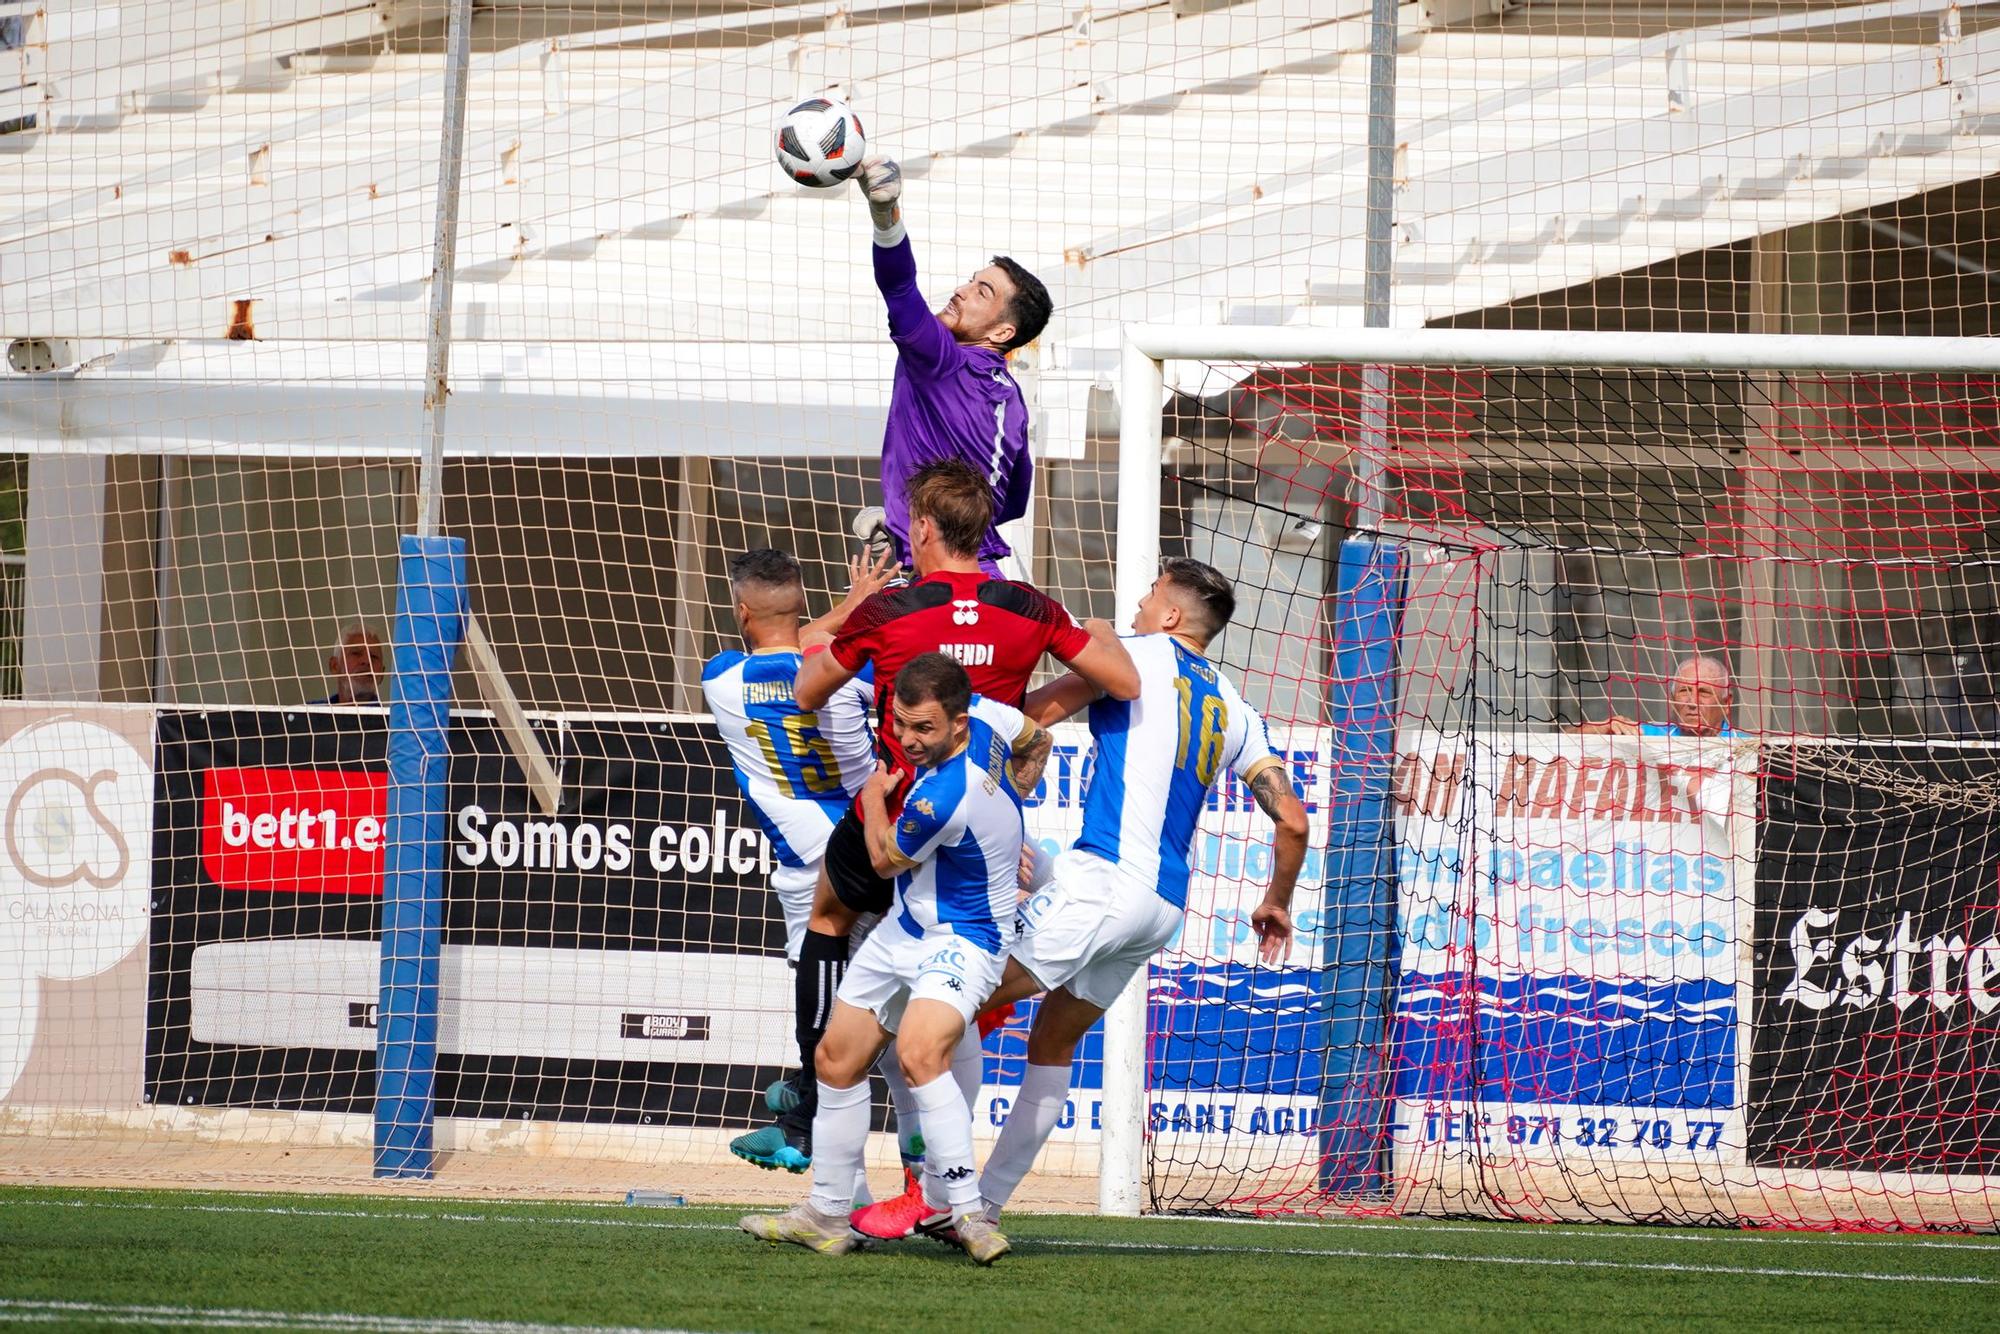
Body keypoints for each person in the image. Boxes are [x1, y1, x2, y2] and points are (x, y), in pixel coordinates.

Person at [729, 459, 1137, 1179]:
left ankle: (812, 1117)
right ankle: (930, 1168)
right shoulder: (1030, 606)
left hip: (902, 809)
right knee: (950, 978)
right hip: (986, 827)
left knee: (830, 920)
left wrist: (829, 632)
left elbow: (805, 691)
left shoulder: (891, 610)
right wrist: (1023, 712)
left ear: (922, 527)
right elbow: (1120, 680)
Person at [964, 558, 1311, 1223]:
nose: (1139, 605)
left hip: (1104, 884)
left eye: (1150, 595)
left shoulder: (1131, 656)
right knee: (1051, 1045)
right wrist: (1275, 901)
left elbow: (1028, 716)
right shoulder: (1235, 707)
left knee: (954, 995)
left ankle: (931, 1186)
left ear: (1172, 616)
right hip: (1158, 911)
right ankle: (981, 1208)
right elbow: (1293, 820)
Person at [740, 654, 1041, 1264]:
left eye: (924, 729)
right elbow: (1037, 739)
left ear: (958, 723)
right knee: (835, 1058)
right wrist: (1013, 811)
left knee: (920, 1055)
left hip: (963, 939)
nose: (907, 739)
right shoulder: (990, 723)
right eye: (901, 724)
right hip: (903, 931)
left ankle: (967, 1214)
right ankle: (826, 1215)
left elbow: (880, 860)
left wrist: (874, 794)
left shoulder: (939, 799)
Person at [850, 156, 1053, 576]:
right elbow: (1010, 502)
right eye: (970, 280)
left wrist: (885, 215)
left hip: (936, 584)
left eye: (982, 292)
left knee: (826, 642)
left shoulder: (942, 360)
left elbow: (899, 287)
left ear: (1002, 333)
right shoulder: (1012, 401)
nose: (961, 291)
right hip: (985, 581)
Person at [1574, 653, 1737, 738]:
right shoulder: (1648, 736)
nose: (1692, 702)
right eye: (1684, 691)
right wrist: (1601, 728)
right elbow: (1566, 741)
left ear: (1727, 702)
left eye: (1704, 692)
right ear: (1672, 699)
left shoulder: (1747, 749)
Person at [313, 626, 384, 705]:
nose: (366, 661)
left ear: (382, 673)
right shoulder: (307, 714)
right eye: (356, 653)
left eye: (373, 656)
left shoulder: (394, 717)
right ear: (334, 666)